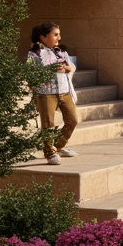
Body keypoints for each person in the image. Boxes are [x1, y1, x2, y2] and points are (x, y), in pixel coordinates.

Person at [27, 22, 78, 166]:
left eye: (59, 34)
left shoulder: (61, 51)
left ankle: (59, 146)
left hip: (64, 91)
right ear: (43, 37)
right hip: (46, 93)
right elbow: (30, 74)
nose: (59, 38)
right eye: (55, 35)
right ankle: (49, 152)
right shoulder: (34, 53)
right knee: (48, 124)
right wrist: (50, 69)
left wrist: (66, 68)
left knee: (72, 120)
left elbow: (71, 66)